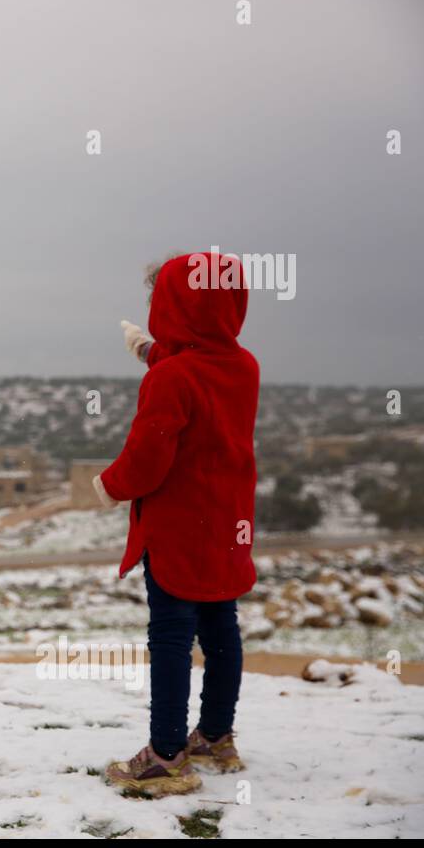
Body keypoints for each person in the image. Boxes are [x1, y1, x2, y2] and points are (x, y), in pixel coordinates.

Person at [95, 252, 258, 796]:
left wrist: (109, 486)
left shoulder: (171, 378)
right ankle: (215, 736)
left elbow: (148, 458)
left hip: (178, 527)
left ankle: (165, 757)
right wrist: (148, 349)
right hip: (228, 522)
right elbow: (198, 367)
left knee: (170, 635)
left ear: (175, 305)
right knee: (221, 627)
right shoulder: (243, 366)